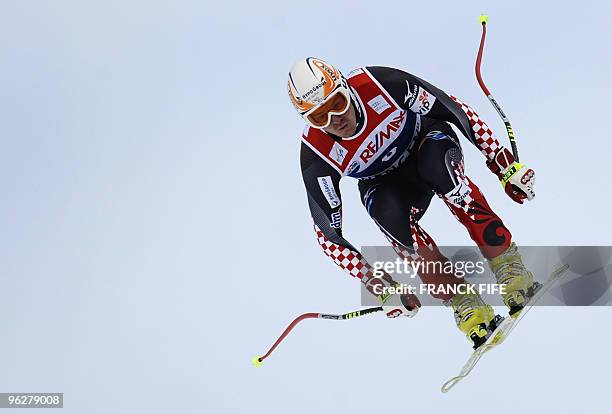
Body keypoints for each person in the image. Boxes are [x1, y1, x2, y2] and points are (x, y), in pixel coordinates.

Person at [288, 57, 537, 348]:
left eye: (338, 103)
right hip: (387, 183)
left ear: (347, 88)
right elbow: (328, 236)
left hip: (427, 142)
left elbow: (454, 109)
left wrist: (503, 165)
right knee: (387, 215)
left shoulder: (379, 84)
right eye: (320, 117)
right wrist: (380, 286)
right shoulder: (317, 153)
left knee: (440, 168)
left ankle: (509, 266)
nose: (335, 120)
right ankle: (465, 304)